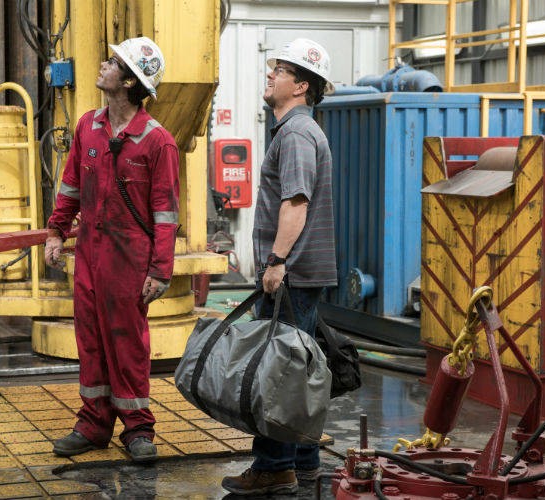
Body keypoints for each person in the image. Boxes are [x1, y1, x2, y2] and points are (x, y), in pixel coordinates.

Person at [43, 36, 179, 463]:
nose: (104, 65)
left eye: (114, 62)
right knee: (91, 341)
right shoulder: (88, 126)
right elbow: (70, 185)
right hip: (90, 255)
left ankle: (138, 429)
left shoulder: (158, 142)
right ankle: (93, 424)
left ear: (130, 82)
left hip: (129, 260)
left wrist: (160, 270)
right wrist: (56, 231)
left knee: (128, 345)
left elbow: (166, 214)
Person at [221, 38, 337, 495]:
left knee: (279, 374)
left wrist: (276, 261)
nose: (271, 75)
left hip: (292, 274)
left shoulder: (295, 134)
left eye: (281, 71)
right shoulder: (297, 131)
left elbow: (296, 203)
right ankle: (304, 461)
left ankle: (274, 466)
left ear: (302, 86)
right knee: (298, 371)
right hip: (300, 274)